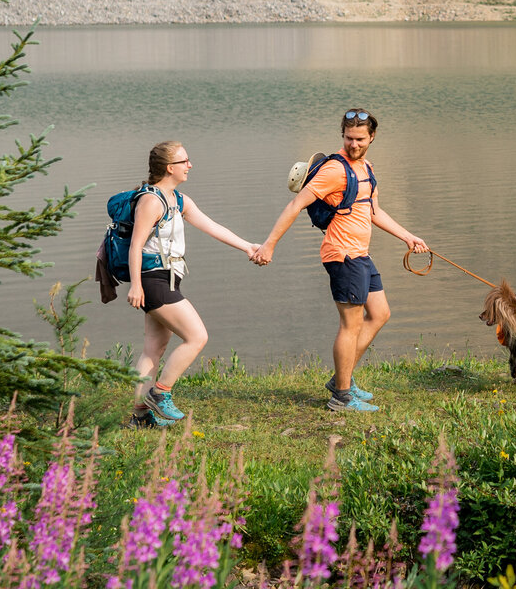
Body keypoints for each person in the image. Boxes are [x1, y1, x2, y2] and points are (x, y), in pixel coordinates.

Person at [253, 109, 427, 412]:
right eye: (349, 138)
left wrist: (408, 237)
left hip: (361, 254)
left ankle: (340, 379)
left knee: (381, 313)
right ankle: (341, 395)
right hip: (342, 255)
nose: (354, 144)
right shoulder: (335, 170)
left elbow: (374, 212)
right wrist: (269, 245)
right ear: (342, 136)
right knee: (351, 324)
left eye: (360, 139)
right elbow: (296, 204)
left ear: (372, 137)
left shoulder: (367, 168)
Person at [126, 141, 260, 428]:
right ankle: (160, 394)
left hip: (168, 278)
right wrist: (135, 285)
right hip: (153, 280)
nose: (190, 165)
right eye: (184, 161)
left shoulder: (179, 200)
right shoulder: (151, 201)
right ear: (168, 167)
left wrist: (248, 247)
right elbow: (135, 246)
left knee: (154, 346)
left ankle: (140, 416)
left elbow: (213, 227)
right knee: (197, 336)